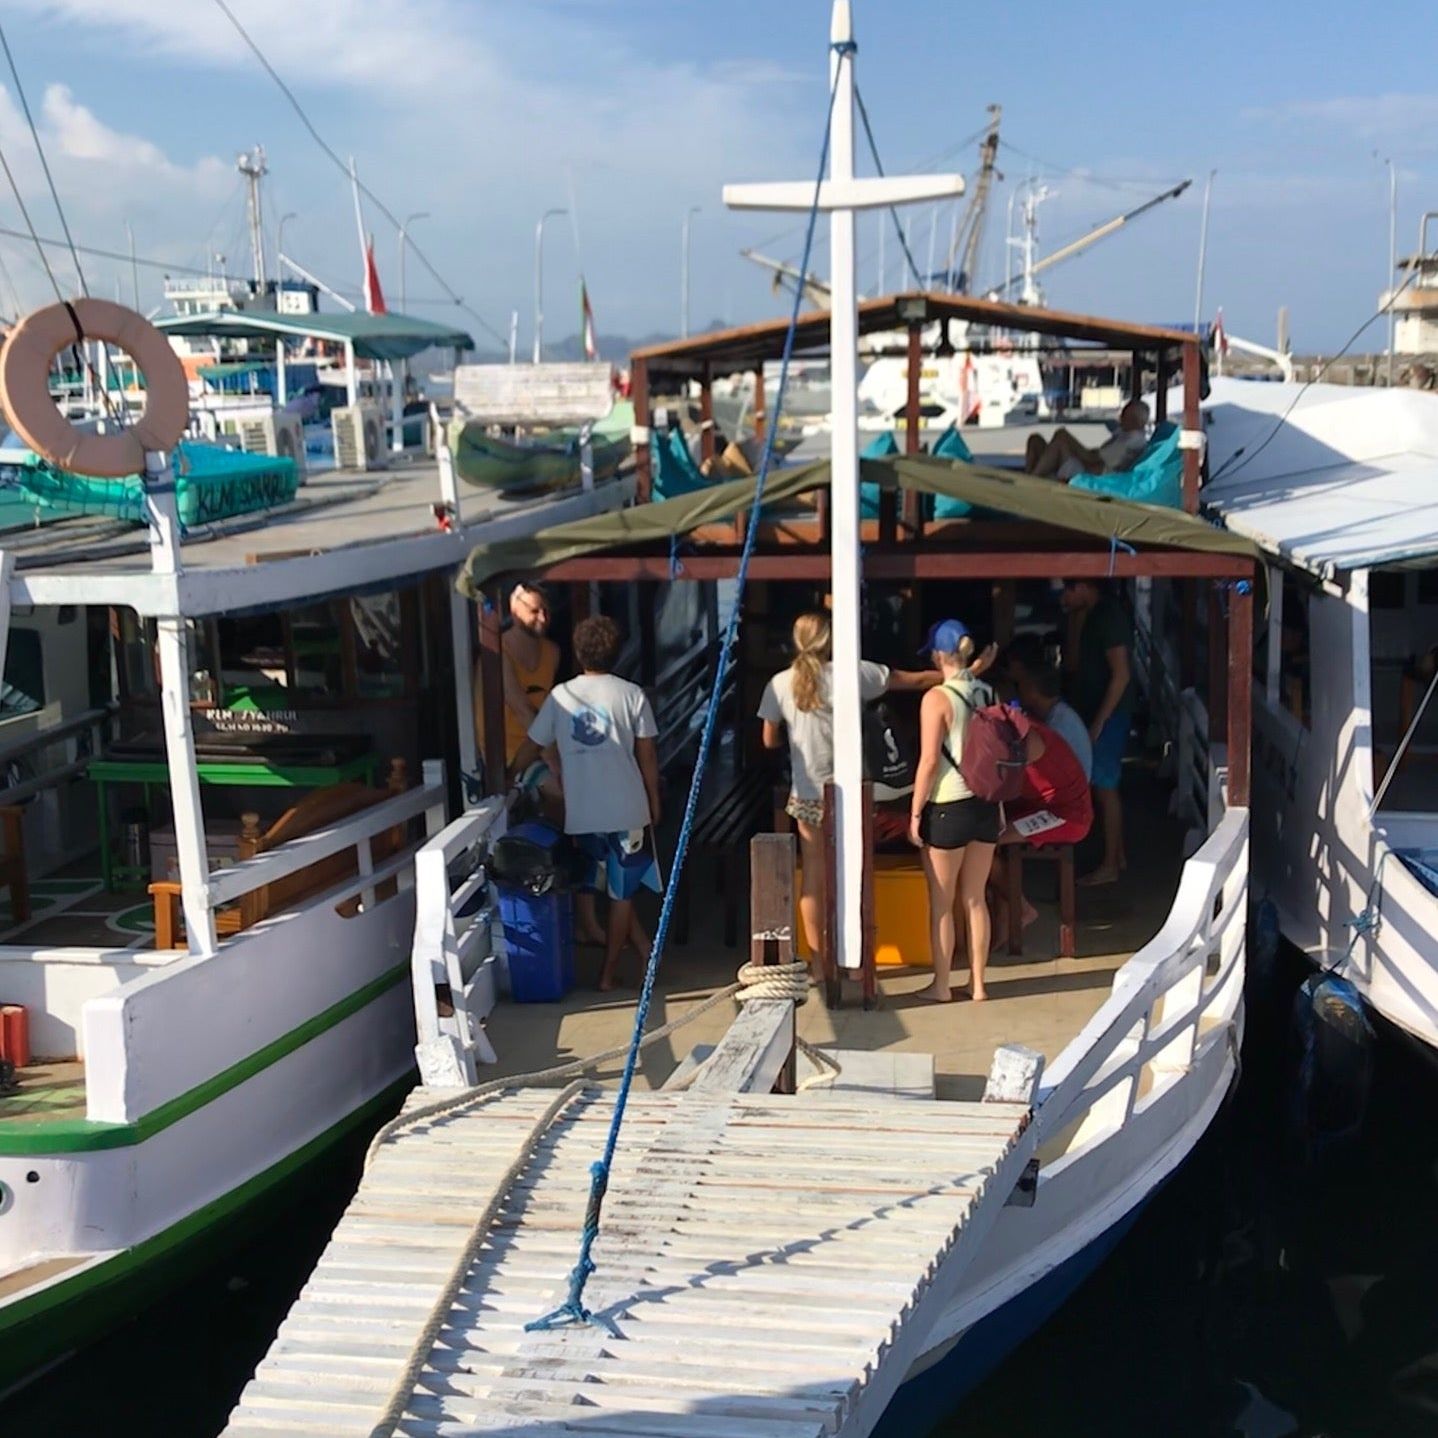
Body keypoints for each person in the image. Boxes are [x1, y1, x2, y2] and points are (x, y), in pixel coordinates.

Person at [758, 610, 942, 969]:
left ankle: (819, 962)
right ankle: (858, 964)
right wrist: (965, 673)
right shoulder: (854, 673)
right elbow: (915, 681)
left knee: (813, 878)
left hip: (808, 794)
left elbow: (768, 740)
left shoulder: (779, 684)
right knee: (854, 875)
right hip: (851, 794)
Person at [515, 615, 661, 991]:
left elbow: (532, 743)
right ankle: (610, 973)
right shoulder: (631, 695)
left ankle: (641, 951)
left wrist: (506, 775)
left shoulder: (561, 696)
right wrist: (654, 801)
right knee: (622, 893)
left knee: (609, 887)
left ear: (578, 654)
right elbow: (647, 758)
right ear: (618, 652)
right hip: (629, 809)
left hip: (583, 814)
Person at [908, 619, 1001, 1003]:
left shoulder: (936, 699)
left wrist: (915, 813)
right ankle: (978, 984)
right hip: (986, 804)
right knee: (976, 899)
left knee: (942, 905)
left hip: (948, 805)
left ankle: (942, 985)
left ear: (937, 654)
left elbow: (930, 760)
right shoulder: (989, 692)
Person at [989, 703, 1094, 949]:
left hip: (1066, 815)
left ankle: (1020, 907)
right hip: (1036, 807)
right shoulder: (1018, 732)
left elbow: (999, 785)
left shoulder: (1027, 742)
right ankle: (1007, 912)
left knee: (985, 840)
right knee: (986, 837)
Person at [1060, 578, 1132, 886]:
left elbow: (1121, 674)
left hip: (1107, 713)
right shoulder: (1086, 615)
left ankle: (1110, 864)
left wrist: (1100, 721)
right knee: (1102, 785)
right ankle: (1117, 855)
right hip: (1091, 709)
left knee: (1105, 788)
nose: (1063, 594)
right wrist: (1074, 618)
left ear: (1085, 585)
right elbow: (1073, 662)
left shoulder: (1109, 614)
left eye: (1068, 588)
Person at [475, 581, 561, 793]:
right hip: (509, 757)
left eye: (546, 611)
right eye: (534, 611)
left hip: (544, 748)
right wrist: (554, 761)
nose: (542, 618)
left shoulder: (553, 652)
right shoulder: (497, 651)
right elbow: (523, 710)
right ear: (514, 611)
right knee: (558, 791)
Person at [1004, 635, 1093, 779]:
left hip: (1070, 791)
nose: (1018, 692)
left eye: (1021, 686)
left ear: (1032, 691)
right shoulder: (1058, 713)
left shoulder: (1058, 725)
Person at [1025, 399, 1150, 481]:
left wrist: (1070, 442)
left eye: (1125, 415)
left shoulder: (1132, 441)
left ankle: (1031, 480)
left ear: (1135, 421)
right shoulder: (1124, 433)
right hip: (1086, 464)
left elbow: (1093, 459)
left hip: (1088, 473)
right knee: (1035, 440)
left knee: (1061, 438)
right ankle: (1031, 475)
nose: (1121, 418)